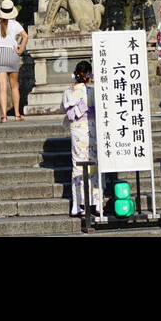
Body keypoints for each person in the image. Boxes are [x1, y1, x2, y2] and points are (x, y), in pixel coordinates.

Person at [64, 61, 102, 217]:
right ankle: (97, 203)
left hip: (77, 132)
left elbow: (65, 109)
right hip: (93, 129)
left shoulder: (69, 91)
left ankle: (77, 204)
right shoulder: (93, 91)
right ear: (89, 75)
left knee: (78, 166)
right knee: (95, 164)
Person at [0, 0, 28, 122]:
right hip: (12, 54)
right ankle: (17, 115)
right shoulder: (15, 24)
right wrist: (21, 48)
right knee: (14, 86)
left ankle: (3, 116)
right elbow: (25, 36)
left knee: (2, 87)